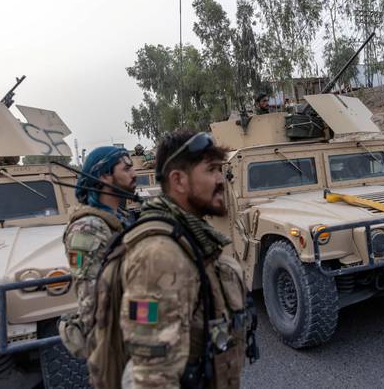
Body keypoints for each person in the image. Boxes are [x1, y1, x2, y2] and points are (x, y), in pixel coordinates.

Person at [120, 130, 254, 388]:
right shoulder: (160, 256)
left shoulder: (193, 239)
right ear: (179, 181)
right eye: (211, 170)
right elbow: (151, 376)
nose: (221, 180)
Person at [60, 146, 137, 358]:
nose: (134, 173)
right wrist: (154, 315)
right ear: (105, 175)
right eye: (126, 169)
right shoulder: (88, 229)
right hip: (114, 346)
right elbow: (94, 303)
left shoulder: (118, 217)